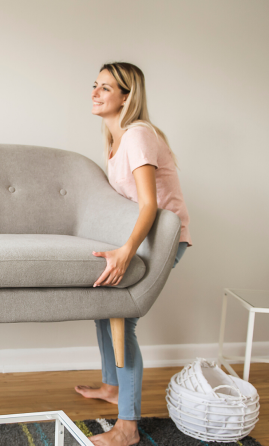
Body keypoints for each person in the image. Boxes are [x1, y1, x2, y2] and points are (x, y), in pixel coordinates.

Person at [73, 62, 192, 446]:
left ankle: (127, 428)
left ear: (127, 96)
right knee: (104, 311)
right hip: (142, 238)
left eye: (105, 88)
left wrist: (125, 251)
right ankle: (113, 387)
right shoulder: (117, 141)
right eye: (95, 85)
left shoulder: (139, 135)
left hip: (161, 239)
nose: (95, 92)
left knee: (123, 321)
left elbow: (148, 205)